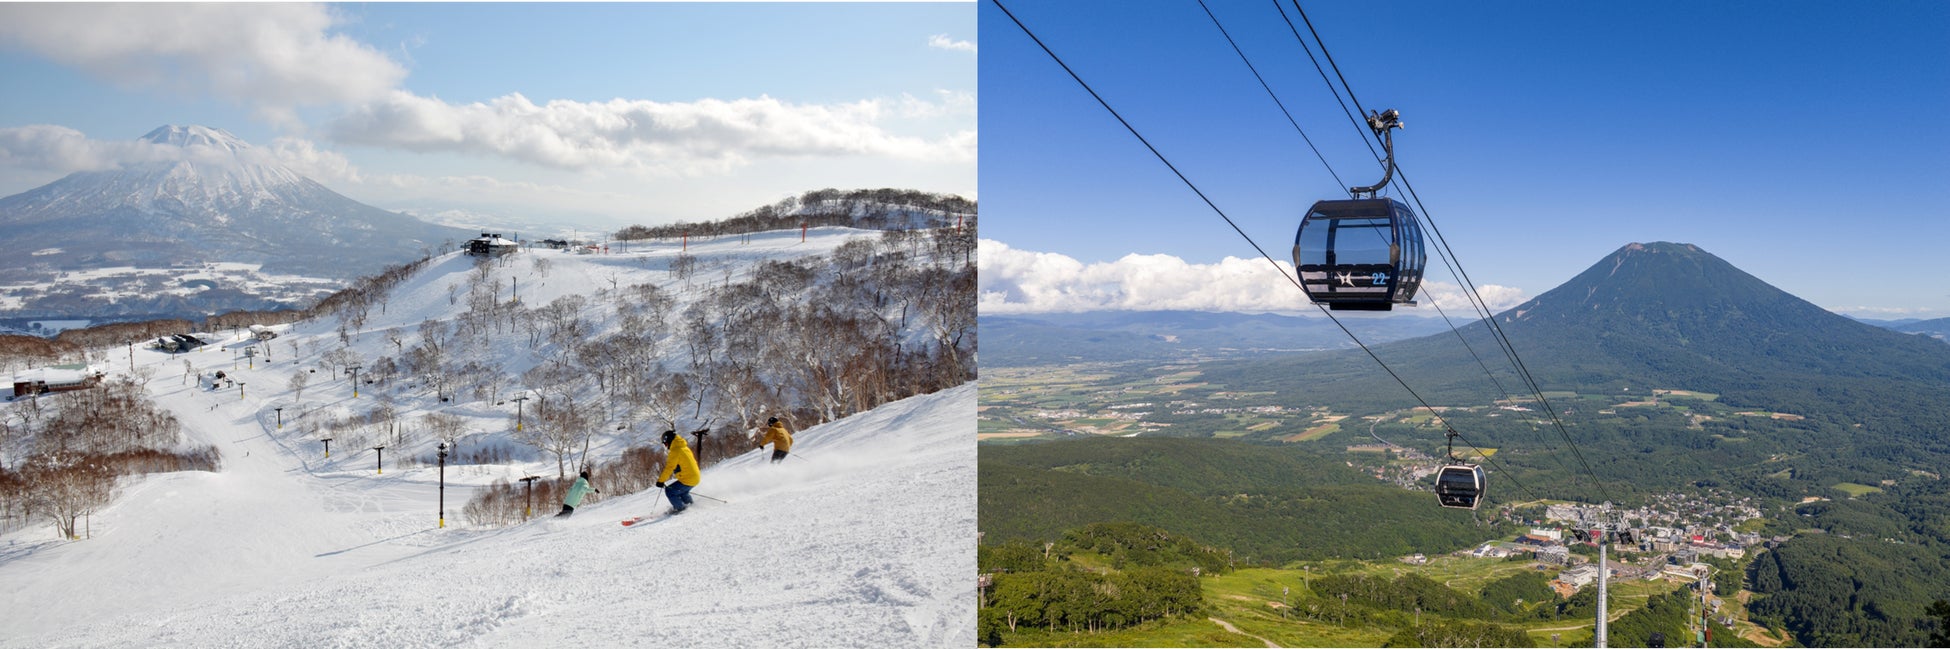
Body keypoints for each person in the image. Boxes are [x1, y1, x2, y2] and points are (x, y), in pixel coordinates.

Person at [655, 430, 700, 514]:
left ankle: (680, 509)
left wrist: (660, 481)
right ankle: (690, 506)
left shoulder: (675, 451)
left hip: (688, 478)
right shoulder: (684, 447)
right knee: (683, 493)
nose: (665, 445)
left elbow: (669, 468)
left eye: (665, 443)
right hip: (695, 477)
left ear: (669, 440)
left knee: (670, 491)